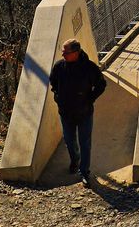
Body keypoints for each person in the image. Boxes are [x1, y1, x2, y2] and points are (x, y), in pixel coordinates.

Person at [49, 38, 107, 187]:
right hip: (65, 113)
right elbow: (53, 82)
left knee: (85, 142)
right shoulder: (59, 67)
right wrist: (57, 96)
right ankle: (75, 160)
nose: (63, 55)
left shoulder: (89, 68)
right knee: (69, 140)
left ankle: (84, 172)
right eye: (62, 52)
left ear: (76, 52)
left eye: (66, 52)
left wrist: (90, 99)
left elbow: (101, 84)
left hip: (84, 113)